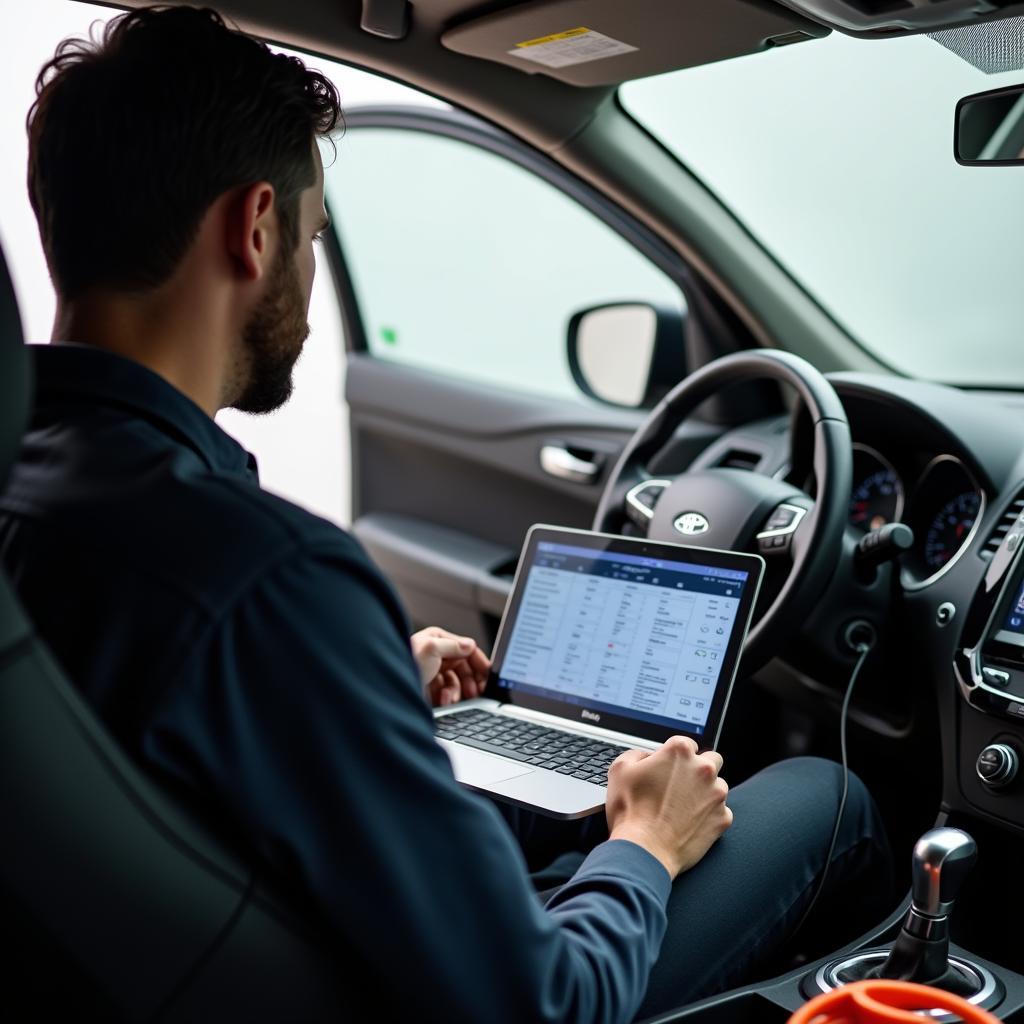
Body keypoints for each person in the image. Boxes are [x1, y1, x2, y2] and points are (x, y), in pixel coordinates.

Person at [0, 7, 889, 1022]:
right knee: (825, 797)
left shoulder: (34, 492)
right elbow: (545, 1001)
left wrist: (364, 689)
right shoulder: (262, 577)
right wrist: (644, 843)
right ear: (254, 228)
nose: (306, 266)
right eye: (313, 235)